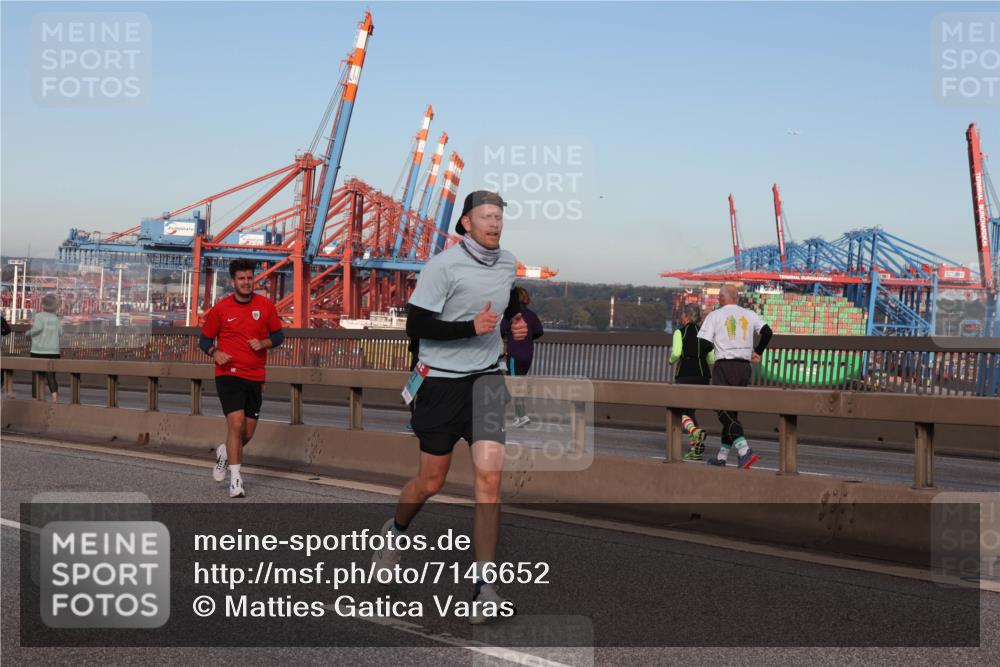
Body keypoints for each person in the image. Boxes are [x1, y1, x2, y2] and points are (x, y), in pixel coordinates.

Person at [372, 190, 527, 624]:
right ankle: (394, 531)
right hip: (440, 383)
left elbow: (505, 297)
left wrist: (512, 317)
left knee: (490, 483)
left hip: (487, 382)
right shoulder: (441, 266)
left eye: (499, 216)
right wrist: (468, 327)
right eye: (486, 217)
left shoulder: (509, 261)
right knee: (431, 481)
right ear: (466, 224)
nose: (495, 223)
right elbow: (416, 325)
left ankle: (485, 588)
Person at [199, 259, 284, 498]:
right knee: (235, 424)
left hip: (255, 375)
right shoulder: (221, 309)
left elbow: (278, 336)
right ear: (232, 281)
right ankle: (236, 481)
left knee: (246, 433)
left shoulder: (266, 306)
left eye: (249, 278)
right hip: (228, 375)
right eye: (241, 279)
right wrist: (216, 353)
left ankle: (225, 453)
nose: (246, 282)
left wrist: (264, 342)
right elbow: (204, 341)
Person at [697, 285, 773, 468]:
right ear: (737, 298)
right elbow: (768, 332)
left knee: (722, 410)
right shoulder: (749, 314)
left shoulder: (715, 316)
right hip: (744, 368)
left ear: (722, 299)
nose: (717, 300)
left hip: (724, 366)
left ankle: (744, 451)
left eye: (719, 298)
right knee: (731, 412)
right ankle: (722, 458)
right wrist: (757, 351)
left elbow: (703, 345)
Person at [670, 302, 715, 461]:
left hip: (685, 373)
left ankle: (696, 433)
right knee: (691, 412)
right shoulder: (705, 334)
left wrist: (670, 361)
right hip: (703, 375)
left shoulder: (679, 333)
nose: (681, 318)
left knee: (679, 411)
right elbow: (711, 359)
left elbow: (676, 353)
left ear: (687, 316)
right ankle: (696, 450)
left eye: (682, 315)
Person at [501, 286, 544, 427]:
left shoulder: (511, 315)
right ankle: (518, 416)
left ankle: (522, 415)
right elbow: (539, 331)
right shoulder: (531, 315)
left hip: (514, 355)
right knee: (519, 384)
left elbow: (501, 330)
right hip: (528, 356)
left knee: (514, 385)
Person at [26, 294, 62, 402]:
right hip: (54, 352)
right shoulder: (56, 318)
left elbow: (38, 329)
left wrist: (28, 332)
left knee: (36, 376)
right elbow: (61, 332)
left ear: (43, 304)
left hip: (38, 351)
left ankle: (35, 399)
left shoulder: (39, 316)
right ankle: (55, 397)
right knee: (51, 376)